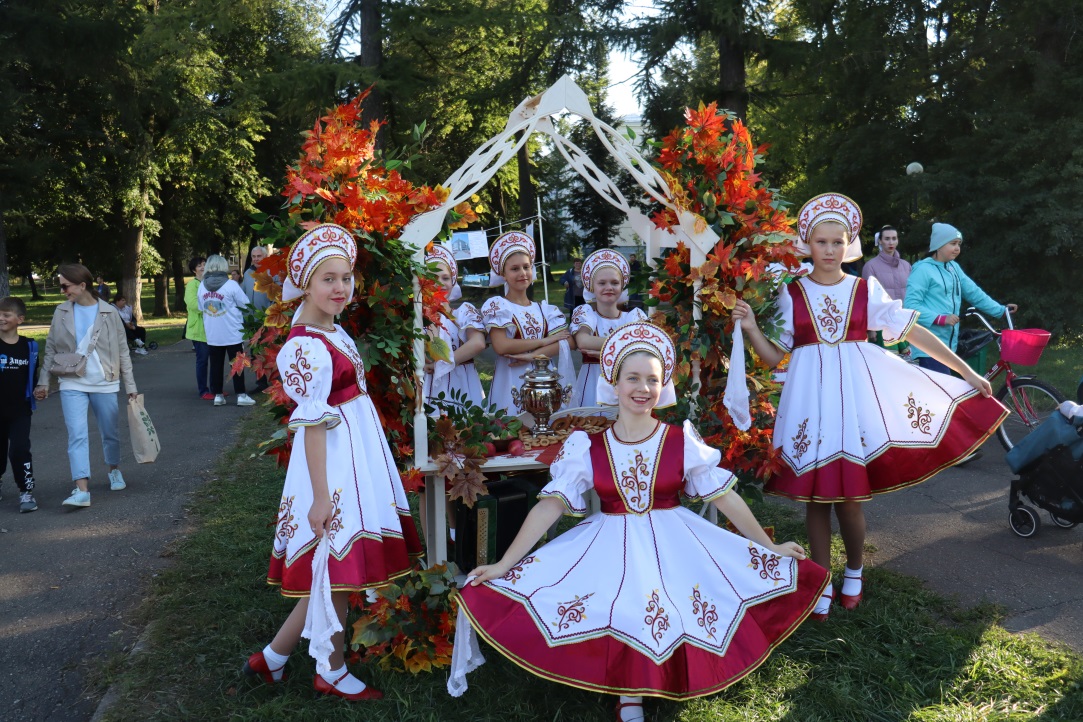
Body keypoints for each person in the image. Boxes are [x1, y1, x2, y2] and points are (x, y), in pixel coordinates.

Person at [452, 321, 828, 718]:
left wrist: (767, 546)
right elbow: (550, 506)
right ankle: (629, 694)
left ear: (662, 385)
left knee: (671, 602)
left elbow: (725, 497)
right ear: (614, 382)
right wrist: (504, 564)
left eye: (652, 379)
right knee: (623, 602)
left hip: (672, 539)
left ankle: (664, 676)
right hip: (609, 541)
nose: (642, 388)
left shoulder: (679, 441)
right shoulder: (587, 446)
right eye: (632, 378)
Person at [732, 193, 1008, 621]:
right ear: (808, 243)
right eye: (820, 242)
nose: (828, 251)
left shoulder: (864, 289)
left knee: (849, 499)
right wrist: (751, 327)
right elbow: (773, 356)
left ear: (850, 244)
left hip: (851, 403)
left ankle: (855, 571)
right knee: (816, 498)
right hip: (808, 403)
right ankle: (821, 579)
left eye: (836, 243)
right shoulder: (791, 292)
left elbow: (911, 331)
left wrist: (966, 374)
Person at [242, 223, 422, 701]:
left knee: (336, 569)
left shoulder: (333, 330)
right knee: (338, 567)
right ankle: (332, 669)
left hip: (356, 454)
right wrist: (322, 497)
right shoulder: (304, 345)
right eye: (328, 279)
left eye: (346, 278)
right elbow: (314, 425)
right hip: (333, 465)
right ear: (306, 283)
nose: (340, 287)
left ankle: (273, 658)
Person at [35, 263, 138, 509]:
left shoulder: (109, 312)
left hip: (104, 381)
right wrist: (43, 382)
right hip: (71, 381)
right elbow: (50, 349)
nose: (63, 291)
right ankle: (82, 489)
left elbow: (123, 351)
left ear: (82, 285)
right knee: (77, 435)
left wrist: (131, 385)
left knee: (109, 433)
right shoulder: (61, 311)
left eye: (65, 286)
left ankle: (114, 470)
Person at [481, 231, 575, 415]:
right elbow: (501, 346)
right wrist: (545, 341)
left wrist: (535, 356)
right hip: (511, 379)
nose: (523, 273)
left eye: (526, 267)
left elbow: (569, 341)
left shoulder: (545, 309)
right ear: (503, 274)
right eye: (515, 269)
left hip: (545, 380)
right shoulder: (498, 306)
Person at [905, 222, 1017, 375]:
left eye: (959, 244)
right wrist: (940, 319)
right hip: (928, 347)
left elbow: (974, 293)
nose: (957, 248)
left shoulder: (953, 268)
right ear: (939, 245)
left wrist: (1000, 310)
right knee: (943, 396)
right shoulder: (923, 269)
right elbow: (910, 306)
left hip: (949, 347)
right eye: (952, 243)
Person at [570, 249, 646, 406]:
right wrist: (625, 348)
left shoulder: (633, 316)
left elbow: (643, 348)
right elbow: (583, 341)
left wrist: (603, 351)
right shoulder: (586, 313)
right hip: (593, 381)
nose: (609, 287)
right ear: (592, 286)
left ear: (622, 286)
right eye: (602, 283)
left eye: (614, 283)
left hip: (626, 383)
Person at [422, 244, 486, 410]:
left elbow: (478, 343)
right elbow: (428, 356)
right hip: (429, 386)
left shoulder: (463, 312)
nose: (440, 283)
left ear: (453, 281)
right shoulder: (418, 318)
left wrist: (441, 365)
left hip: (463, 384)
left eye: (445, 278)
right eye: (433, 278)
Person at [198, 255, 255, 407]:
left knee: (215, 365)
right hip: (233, 332)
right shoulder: (231, 285)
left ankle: (217, 395)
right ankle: (241, 395)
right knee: (237, 365)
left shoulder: (202, 286)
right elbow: (246, 304)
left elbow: (200, 307)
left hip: (213, 333)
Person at [0, 297, 39, 513]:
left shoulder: (29, 346)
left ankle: (26, 491)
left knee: (20, 450)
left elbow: (32, 378)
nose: (1, 318)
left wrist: (38, 390)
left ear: (20, 319)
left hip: (19, 410)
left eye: (6, 315)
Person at [862, 225, 913, 356]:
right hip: (882, 323)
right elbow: (867, 298)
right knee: (887, 362)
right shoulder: (871, 266)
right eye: (887, 239)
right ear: (880, 241)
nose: (891, 242)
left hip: (903, 320)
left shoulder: (906, 266)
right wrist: (870, 328)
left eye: (894, 238)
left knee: (908, 364)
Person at [184, 257, 212, 399]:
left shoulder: (210, 283)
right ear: (194, 269)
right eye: (199, 265)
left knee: (215, 360)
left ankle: (215, 388)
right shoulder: (192, 285)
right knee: (202, 361)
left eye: (204, 265)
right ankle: (203, 390)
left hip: (213, 330)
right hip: (199, 331)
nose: (202, 267)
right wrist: (212, 308)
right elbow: (193, 304)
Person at [242, 244, 272, 312]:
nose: (256, 259)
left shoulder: (272, 273)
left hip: (265, 316)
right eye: (254, 256)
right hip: (249, 316)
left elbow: (277, 296)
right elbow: (242, 293)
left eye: (259, 256)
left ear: (265, 256)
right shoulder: (247, 273)